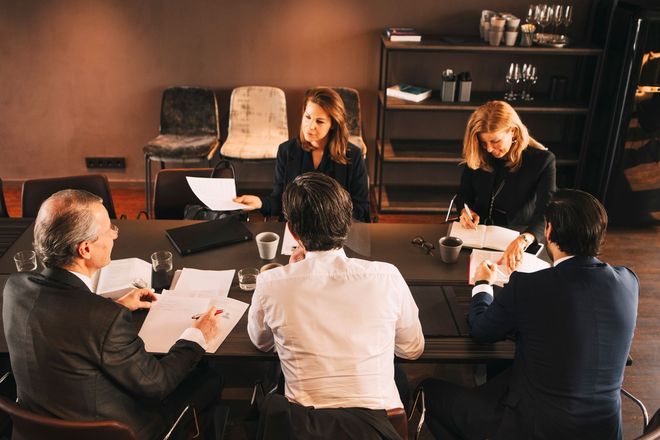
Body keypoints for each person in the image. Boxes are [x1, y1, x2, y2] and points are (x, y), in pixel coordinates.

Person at [3, 190, 222, 439]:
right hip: (114, 431)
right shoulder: (104, 318)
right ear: (85, 249)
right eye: (109, 229)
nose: (114, 234)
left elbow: (63, 320)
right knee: (208, 378)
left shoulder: (15, 287)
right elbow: (157, 383)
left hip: (34, 428)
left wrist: (113, 306)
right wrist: (196, 336)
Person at [422, 189, 639, 440]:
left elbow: (481, 330)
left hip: (535, 428)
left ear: (548, 231)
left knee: (428, 391)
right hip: (604, 431)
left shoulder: (529, 286)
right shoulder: (628, 282)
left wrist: (483, 284)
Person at [247, 172, 424, 439]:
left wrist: (289, 277)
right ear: (346, 222)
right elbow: (412, 350)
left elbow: (261, 343)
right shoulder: (387, 276)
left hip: (304, 428)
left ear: (293, 231)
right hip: (377, 428)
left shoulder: (271, 283)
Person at [234, 87, 370, 222]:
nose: (310, 126)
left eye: (319, 121)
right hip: (295, 229)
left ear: (333, 124)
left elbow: (361, 209)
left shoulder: (354, 156)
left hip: (334, 230)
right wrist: (260, 203)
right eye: (308, 117)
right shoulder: (286, 151)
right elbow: (279, 200)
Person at [456, 100, 556, 270]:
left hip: (518, 234)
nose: (488, 149)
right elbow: (463, 194)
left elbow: (547, 211)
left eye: (495, 141)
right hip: (477, 233)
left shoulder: (542, 161)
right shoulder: (480, 153)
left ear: (513, 131)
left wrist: (526, 238)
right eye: (483, 142)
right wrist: (465, 211)